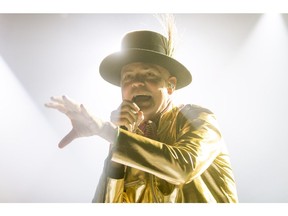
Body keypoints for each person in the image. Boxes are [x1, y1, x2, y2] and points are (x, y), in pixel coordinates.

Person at [45, 24, 238, 203]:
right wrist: (115, 146)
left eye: (149, 74)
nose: (136, 82)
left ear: (170, 85)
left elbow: (183, 167)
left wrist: (107, 131)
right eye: (128, 77)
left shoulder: (199, 118)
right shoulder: (125, 141)